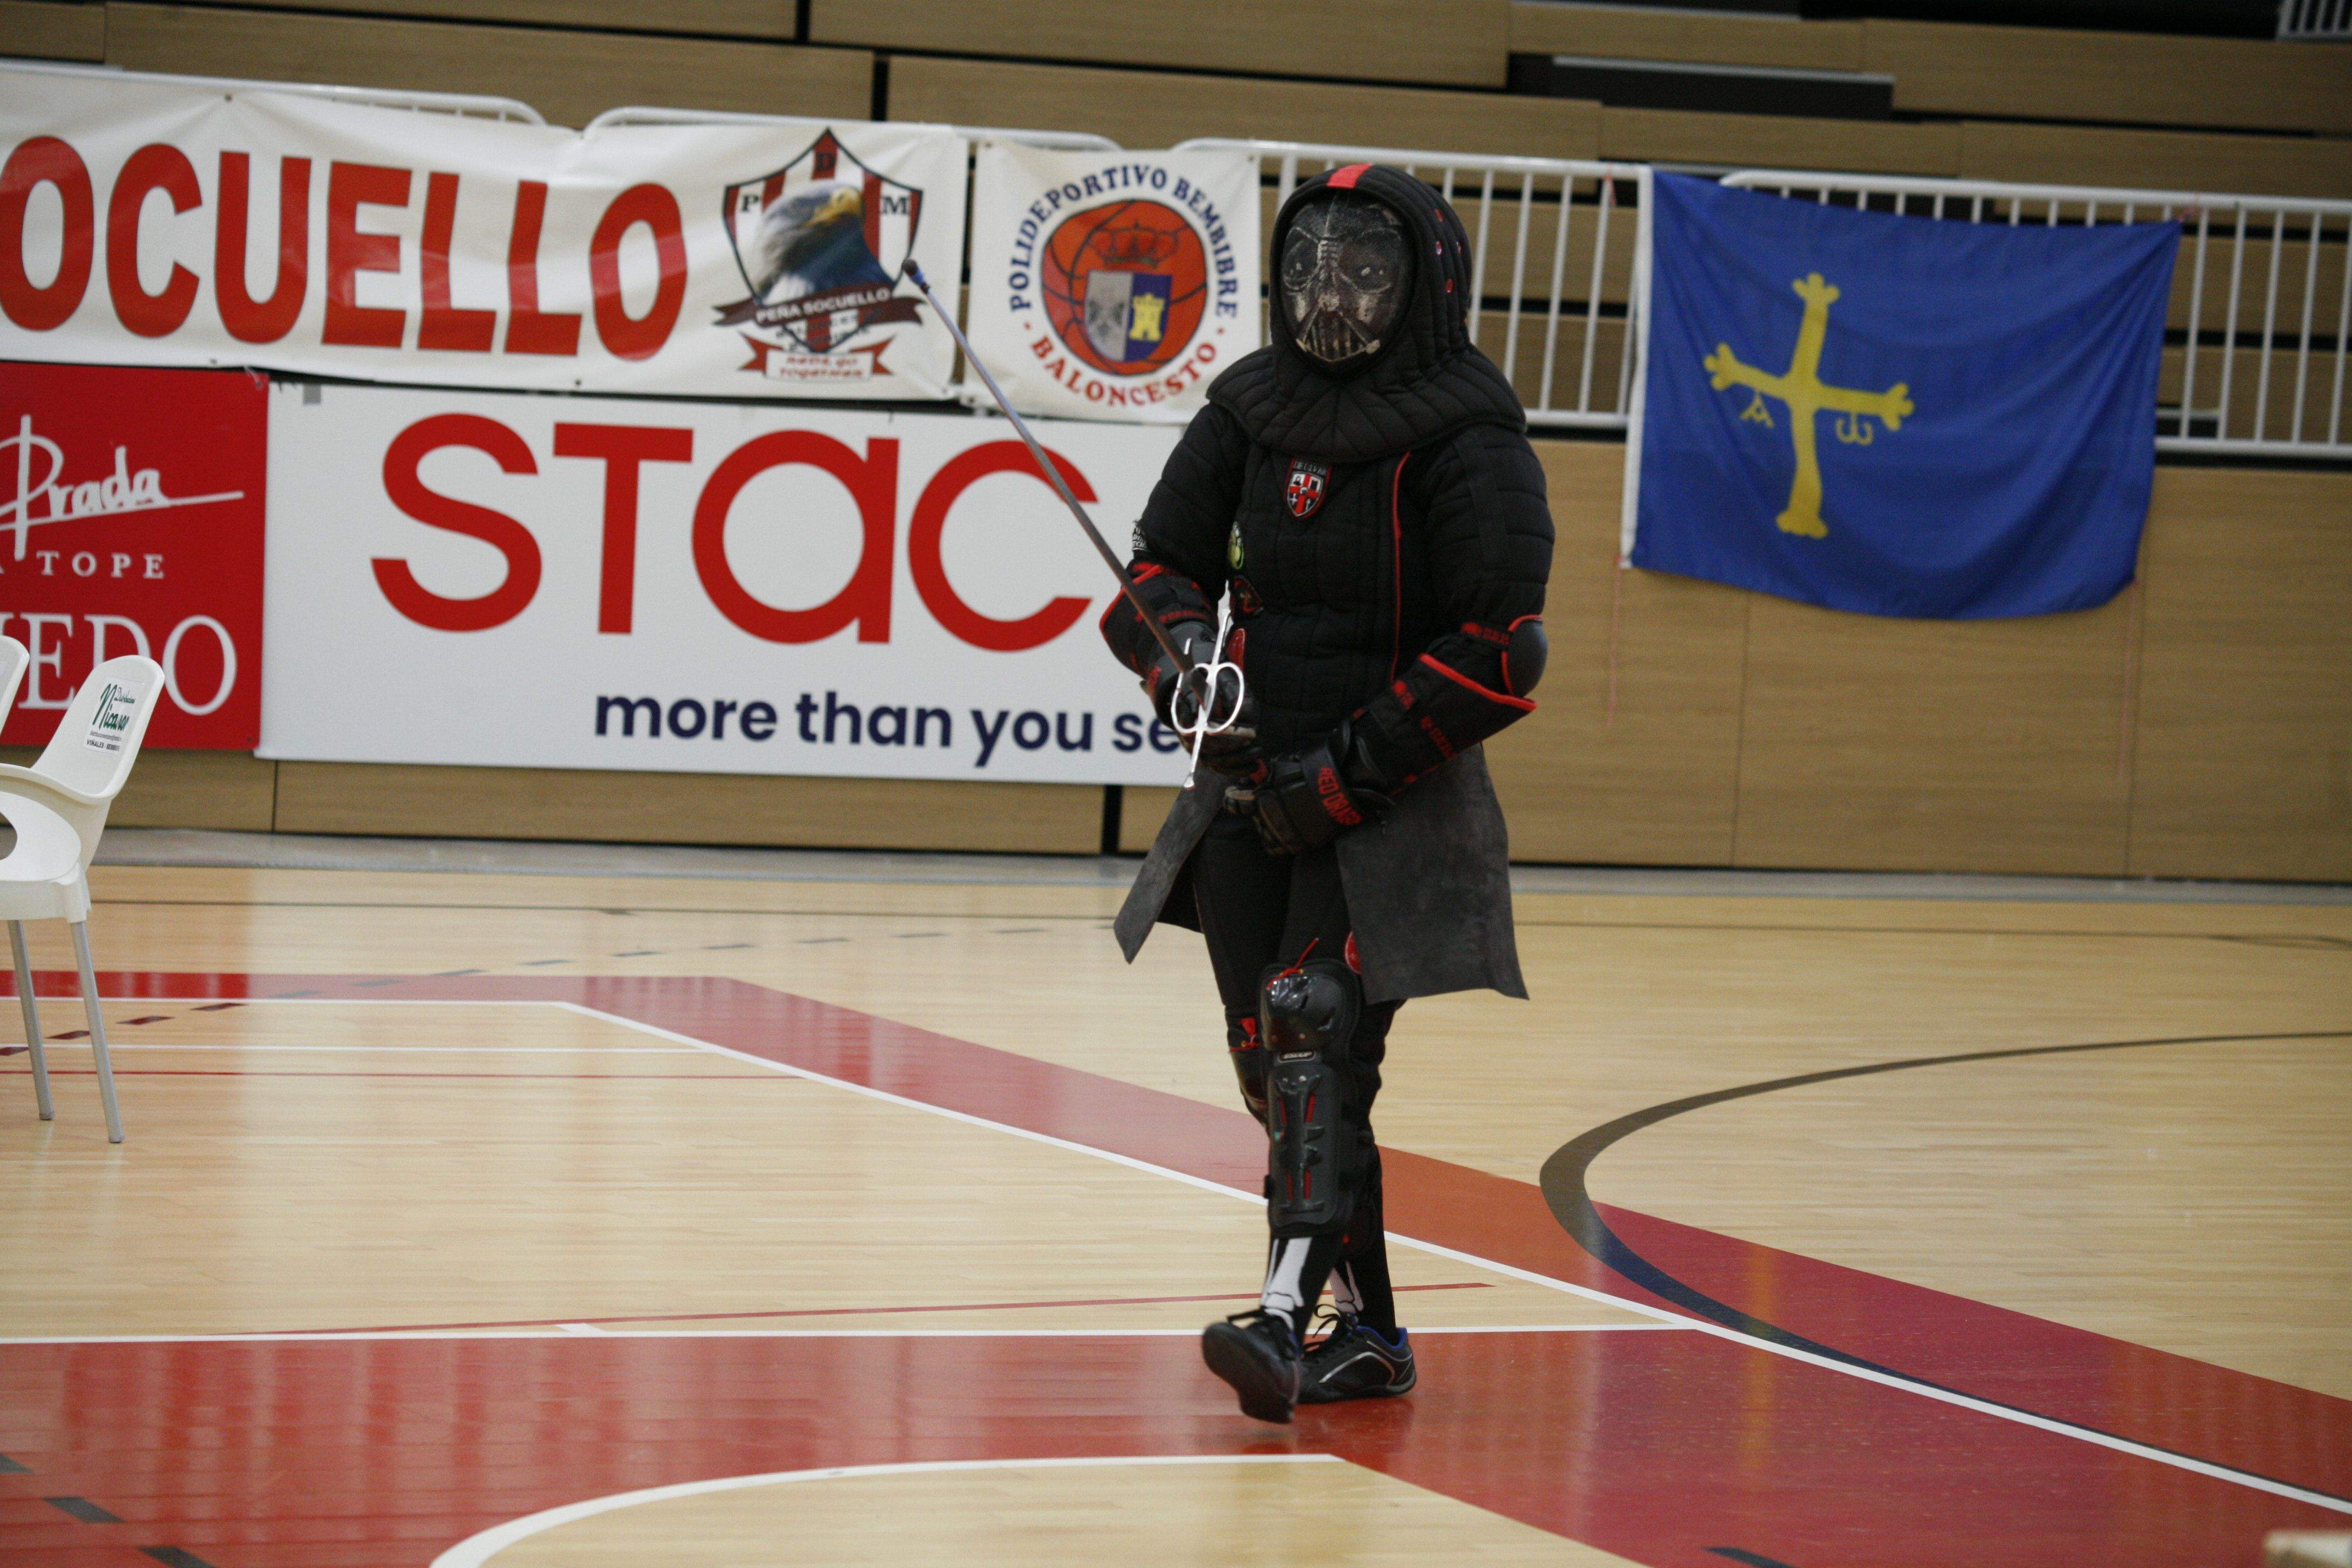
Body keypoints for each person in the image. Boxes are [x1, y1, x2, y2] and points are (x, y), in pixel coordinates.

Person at [1100, 163, 1554, 1424]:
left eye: (1361, 271)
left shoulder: (1471, 434)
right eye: (1308, 269)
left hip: (1395, 815)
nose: (1329, 296)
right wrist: (1186, 663)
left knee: (1312, 1031)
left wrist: (1344, 774)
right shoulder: (1249, 409)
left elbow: (1502, 650)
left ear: (1423, 286)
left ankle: (1282, 1324)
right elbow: (1156, 571)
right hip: (1245, 793)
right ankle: (1375, 1338)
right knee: (1274, 1068)